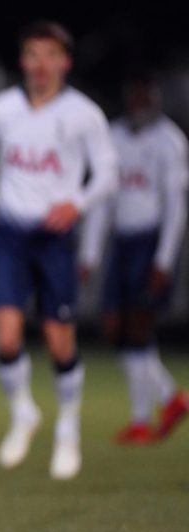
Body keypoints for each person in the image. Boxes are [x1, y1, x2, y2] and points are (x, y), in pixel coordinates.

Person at [0, 21, 117, 480]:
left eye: (50, 55)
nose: (40, 64)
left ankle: (68, 428)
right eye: (32, 54)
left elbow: (107, 173)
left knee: (59, 341)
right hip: (9, 232)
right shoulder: (0, 110)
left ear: (65, 62)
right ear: (22, 61)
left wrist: (77, 203)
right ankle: (23, 413)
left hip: (55, 240)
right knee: (6, 338)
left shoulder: (84, 114)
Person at [79, 70, 188, 444]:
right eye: (134, 96)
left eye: (146, 96)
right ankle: (170, 399)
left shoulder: (170, 142)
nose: (140, 103)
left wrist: (164, 260)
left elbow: (176, 207)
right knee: (114, 326)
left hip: (149, 240)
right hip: (122, 244)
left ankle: (142, 419)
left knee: (139, 327)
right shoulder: (115, 136)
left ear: (155, 97)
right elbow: (103, 200)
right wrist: (90, 253)